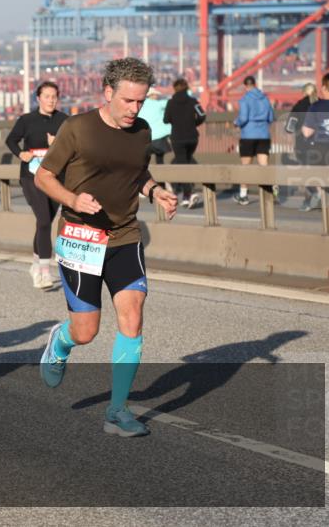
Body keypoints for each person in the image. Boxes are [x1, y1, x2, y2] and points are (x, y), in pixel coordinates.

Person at [35, 58, 178, 438]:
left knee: (132, 314)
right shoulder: (78, 128)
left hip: (125, 236)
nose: (135, 109)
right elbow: (44, 176)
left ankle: (118, 411)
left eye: (141, 102)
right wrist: (72, 199)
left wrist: (155, 191)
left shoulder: (142, 130)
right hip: (81, 238)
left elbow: (138, 171)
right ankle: (60, 341)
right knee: (87, 331)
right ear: (109, 92)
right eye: (128, 101)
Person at [5, 82, 69, 290]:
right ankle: (44, 271)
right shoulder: (27, 120)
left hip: (54, 177)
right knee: (43, 220)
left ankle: (35, 264)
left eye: (54, 96)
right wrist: (20, 153)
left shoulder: (64, 121)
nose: (51, 100)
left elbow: (72, 147)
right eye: (47, 96)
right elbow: (11, 140)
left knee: (45, 223)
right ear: (38, 98)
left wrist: (57, 144)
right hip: (31, 176)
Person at [302, 71, 329, 229]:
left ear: (326, 87)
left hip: (325, 155)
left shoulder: (316, 107)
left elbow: (307, 132)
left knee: (328, 193)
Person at [163, 78, 207, 208]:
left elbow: (166, 119)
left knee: (181, 165)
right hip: (192, 137)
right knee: (187, 161)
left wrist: (175, 120)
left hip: (178, 138)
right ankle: (187, 194)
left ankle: (188, 194)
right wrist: (194, 123)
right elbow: (202, 115)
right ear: (187, 88)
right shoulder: (193, 101)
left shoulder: (170, 103)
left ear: (174, 89)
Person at [233, 75, 275, 205]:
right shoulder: (265, 98)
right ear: (255, 84)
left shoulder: (244, 99)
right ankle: (268, 193)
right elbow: (271, 117)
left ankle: (243, 196)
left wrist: (236, 122)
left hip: (248, 135)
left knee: (246, 166)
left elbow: (244, 118)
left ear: (245, 86)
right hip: (263, 135)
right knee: (264, 165)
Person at [288, 83, 320, 211]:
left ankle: (311, 199)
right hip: (323, 144)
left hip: (303, 144)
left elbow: (289, 127)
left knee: (306, 172)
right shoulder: (322, 105)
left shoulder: (299, 106)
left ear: (303, 92)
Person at [138, 86, 171, 165]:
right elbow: (170, 103)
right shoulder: (158, 104)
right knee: (159, 157)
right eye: (156, 95)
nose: (157, 96)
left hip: (145, 136)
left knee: (145, 158)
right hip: (158, 135)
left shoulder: (141, 105)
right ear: (151, 95)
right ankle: (160, 173)